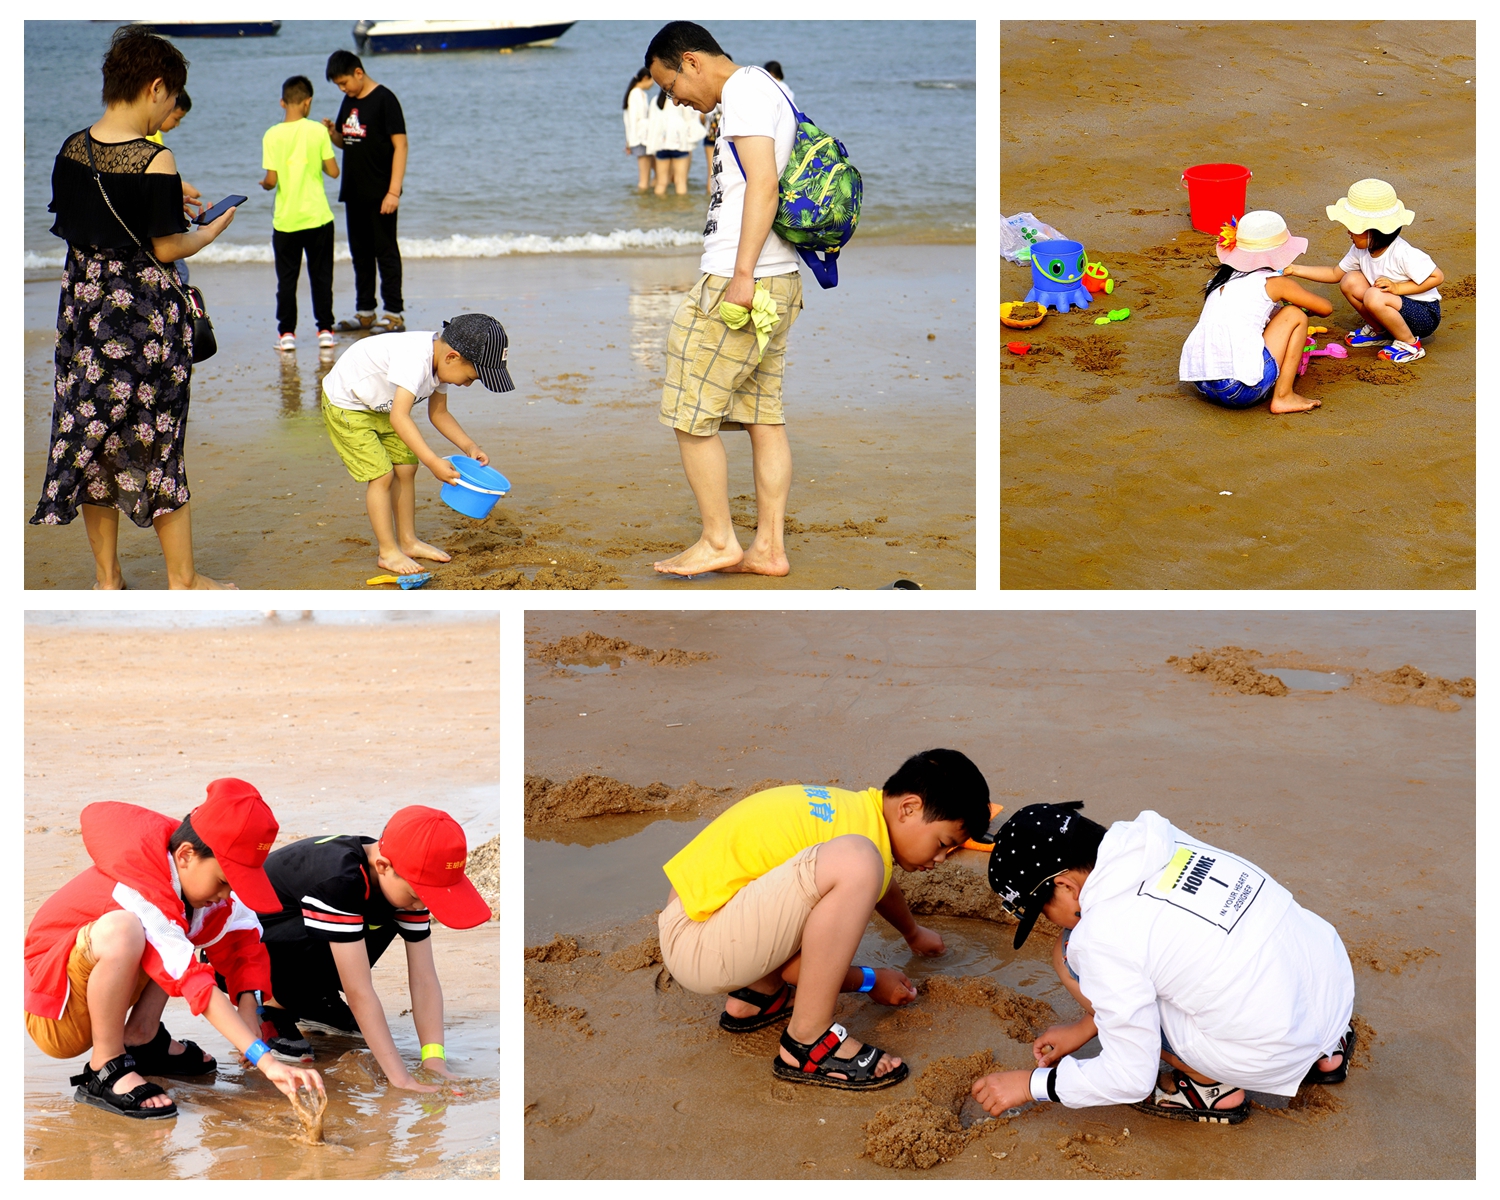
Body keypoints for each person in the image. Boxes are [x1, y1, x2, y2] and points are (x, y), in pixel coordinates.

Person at [971, 803, 1356, 1126]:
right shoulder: (1154, 839)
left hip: (1274, 1044)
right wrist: (1086, 1028)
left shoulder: (1103, 936)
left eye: (1042, 910)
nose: (1048, 920)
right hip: (1330, 983)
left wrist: (1032, 1084)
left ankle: (1209, 1088)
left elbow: (1130, 1076)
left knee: (1069, 953)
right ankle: (1328, 1053)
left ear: (1067, 886)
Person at [31, 24, 237, 589]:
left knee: (91, 439)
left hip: (84, 315)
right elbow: (168, 246)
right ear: (155, 87)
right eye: (173, 97)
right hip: (145, 320)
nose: (169, 107)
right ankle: (184, 580)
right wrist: (214, 227)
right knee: (160, 438)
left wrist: (167, 191)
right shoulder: (156, 159)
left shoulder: (71, 148)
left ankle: (107, 578)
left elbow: (81, 223)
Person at [658, 750, 992, 1090]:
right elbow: (805, 958)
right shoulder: (861, 848)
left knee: (854, 865)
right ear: (908, 808)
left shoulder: (854, 813)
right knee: (858, 862)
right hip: (700, 946)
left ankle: (758, 996)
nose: (941, 859)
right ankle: (807, 1039)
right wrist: (869, 980)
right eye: (942, 844)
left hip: (701, 921)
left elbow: (882, 883)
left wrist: (912, 932)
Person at [23, 779, 325, 1121]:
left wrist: (249, 1006)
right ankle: (105, 1067)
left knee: (182, 927)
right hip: (54, 1009)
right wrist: (265, 1060)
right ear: (185, 855)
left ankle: (142, 1039)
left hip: (100, 984)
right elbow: (192, 979)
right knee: (130, 931)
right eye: (224, 881)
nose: (227, 894)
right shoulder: (141, 884)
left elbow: (243, 938)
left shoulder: (193, 878)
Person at [644, 21, 806, 577]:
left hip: (744, 279)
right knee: (764, 415)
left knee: (689, 411)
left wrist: (740, 274)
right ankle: (768, 549)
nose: (677, 101)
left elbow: (764, 184)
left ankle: (719, 541)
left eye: (671, 87)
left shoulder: (741, 93)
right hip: (778, 278)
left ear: (690, 61)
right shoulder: (770, 87)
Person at [250, 806, 492, 1089]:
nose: (421, 905)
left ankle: (313, 1003)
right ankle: (271, 1004)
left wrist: (433, 1059)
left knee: (385, 913)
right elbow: (359, 991)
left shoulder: (404, 880)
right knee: (352, 920)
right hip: (250, 954)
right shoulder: (340, 880)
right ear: (383, 866)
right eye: (419, 895)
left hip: (314, 940)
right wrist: (401, 1079)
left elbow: (425, 978)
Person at [321, 312, 513, 575]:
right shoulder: (416, 359)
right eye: (470, 377)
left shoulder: (441, 365)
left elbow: (439, 414)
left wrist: (469, 446)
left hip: (381, 406)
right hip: (348, 405)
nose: (467, 385)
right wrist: (433, 462)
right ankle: (388, 552)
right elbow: (400, 416)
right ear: (452, 357)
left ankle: (409, 542)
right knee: (382, 475)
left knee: (406, 468)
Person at [1178, 209, 1334, 414]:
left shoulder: (1220, 280)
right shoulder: (1275, 283)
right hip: (1237, 390)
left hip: (1202, 382)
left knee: (1274, 316)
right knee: (1295, 316)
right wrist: (1294, 286)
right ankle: (1284, 396)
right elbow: (1325, 308)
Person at [1282, 178, 1443, 365]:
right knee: (1350, 280)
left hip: (1423, 315)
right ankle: (1380, 331)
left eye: (1353, 227)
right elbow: (1335, 274)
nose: (1348, 232)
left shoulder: (1403, 253)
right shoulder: (1360, 250)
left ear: (1372, 231)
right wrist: (1294, 269)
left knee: (1374, 295)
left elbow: (1437, 276)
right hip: (1390, 306)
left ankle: (1409, 344)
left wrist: (1398, 288)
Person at [323, 49, 406, 334]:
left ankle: (394, 314)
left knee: (385, 251)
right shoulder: (349, 101)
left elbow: (401, 146)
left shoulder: (385, 99)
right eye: (338, 85)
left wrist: (393, 192)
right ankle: (366, 312)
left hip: (381, 191)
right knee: (360, 253)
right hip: (353, 191)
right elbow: (347, 142)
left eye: (344, 82)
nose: (342, 89)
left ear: (359, 72)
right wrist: (333, 133)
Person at [261, 75, 339, 352]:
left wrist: (265, 184)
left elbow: (271, 180)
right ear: (308, 102)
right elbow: (333, 171)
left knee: (287, 279)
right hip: (318, 217)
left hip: (286, 220)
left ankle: (287, 334)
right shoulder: (317, 131)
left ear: (283, 102)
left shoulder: (271, 134)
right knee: (321, 277)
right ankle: (325, 331)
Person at [145, 89, 202, 217]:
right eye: (177, 118)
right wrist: (181, 186)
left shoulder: (155, 134)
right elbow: (150, 179)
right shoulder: (148, 137)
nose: (177, 124)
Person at [645, 89, 704, 196]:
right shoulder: (679, 100)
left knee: (661, 183)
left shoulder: (655, 100)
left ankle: (658, 209)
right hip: (679, 144)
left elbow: (651, 123)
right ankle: (681, 210)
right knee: (680, 182)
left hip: (661, 145)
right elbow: (689, 119)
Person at [623, 67, 657, 191]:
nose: (653, 83)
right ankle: (642, 206)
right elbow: (632, 120)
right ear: (645, 78)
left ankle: (646, 204)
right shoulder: (635, 94)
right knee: (644, 178)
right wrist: (630, 141)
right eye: (652, 80)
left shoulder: (640, 93)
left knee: (650, 174)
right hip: (640, 138)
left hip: (643, 137)